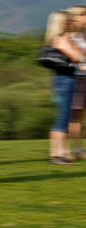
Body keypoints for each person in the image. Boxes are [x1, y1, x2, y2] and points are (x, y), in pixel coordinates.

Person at [45, 10, 83, 164]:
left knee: (63, 118)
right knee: (62, 119)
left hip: (64, 80)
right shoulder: (61, 39)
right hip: (65, 80)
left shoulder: (58, 38)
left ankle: (59, 153)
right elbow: (77, 57)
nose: (71, 22)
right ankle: (58, 155)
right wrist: (75, 48)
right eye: (68, 20)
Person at [66, 5, 86, 161]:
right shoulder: (68, 37)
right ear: (74, 17)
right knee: (76, 116)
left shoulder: (83, 37)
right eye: (83, 14)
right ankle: (77, 149)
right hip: (78, 80)